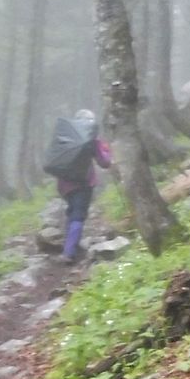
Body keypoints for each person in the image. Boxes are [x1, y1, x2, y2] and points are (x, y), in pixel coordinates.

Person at [59, 109, 112, 263]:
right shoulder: (92, 139)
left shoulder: (66, 136)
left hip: (64, 183)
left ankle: (71, 245)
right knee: (78, 214)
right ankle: (69, 252)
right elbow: (104, 162)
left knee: (72, 211)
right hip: (83, 183)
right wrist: (106, 151)